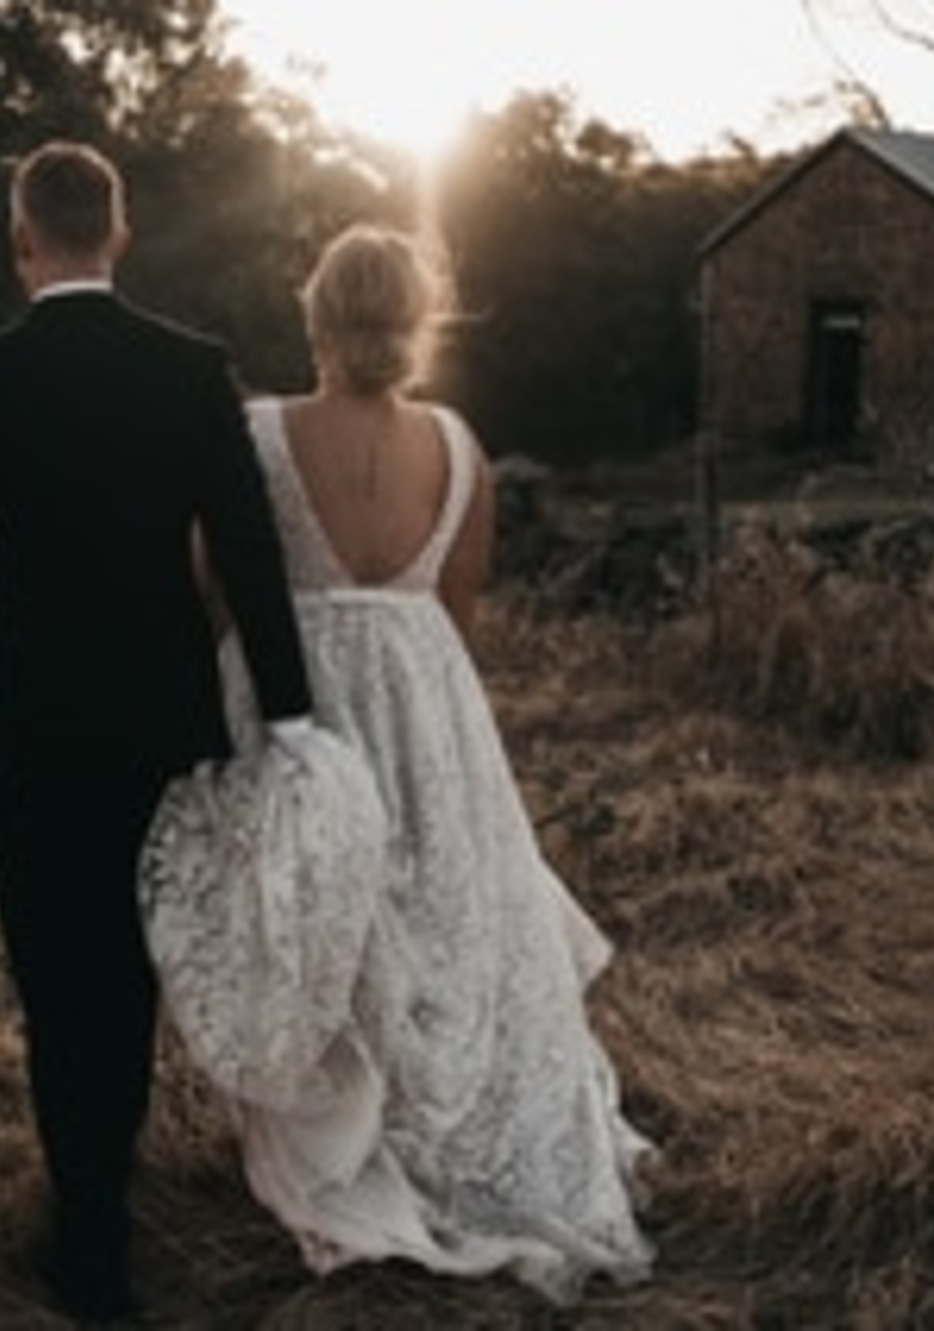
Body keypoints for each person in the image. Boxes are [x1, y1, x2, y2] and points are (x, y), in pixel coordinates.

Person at [141, 224, 656, 1303]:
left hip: (295, 701)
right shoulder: (461, 447)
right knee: (438, 907)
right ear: (418, 320)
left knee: (321, 916)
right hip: (428, 696)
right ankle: (446, 1121)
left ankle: (354, 1140)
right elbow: (453, 606)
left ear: (314, 312)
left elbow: (210, 581)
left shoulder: (258, 430)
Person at [0, 140, 314, 1322]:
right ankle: (104, 1194)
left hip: (34, 731)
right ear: (116, 234)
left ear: (22, 243)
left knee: (58, 977)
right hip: (168, 725)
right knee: (132, 973)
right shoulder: (190, 371)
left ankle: (88, 1234)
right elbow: (250, 552)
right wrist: (288, 711)